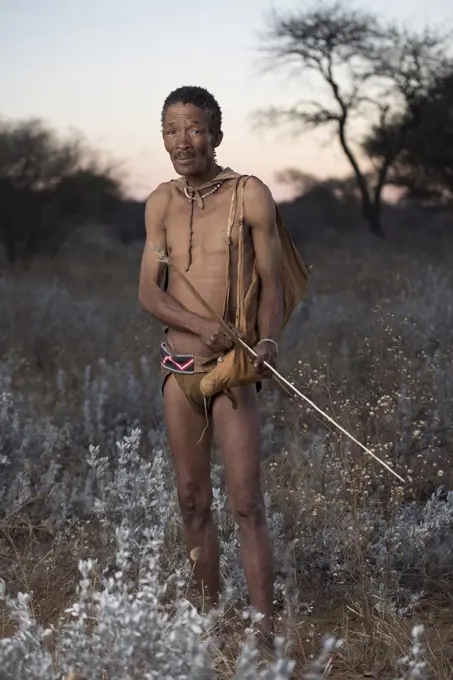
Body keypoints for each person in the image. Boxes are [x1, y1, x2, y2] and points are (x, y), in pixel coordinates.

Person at [138, 86, 309, 639]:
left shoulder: (250, 194)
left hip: (234, 372)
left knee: (245, 501)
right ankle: (208, 624)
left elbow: (274, 288)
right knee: (191, 501)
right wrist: (197, 325)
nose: (182, 141)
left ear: (214, 133)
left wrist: (268, 344)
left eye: (193, 128)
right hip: (179, 374)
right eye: (171, 130)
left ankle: (263, 630)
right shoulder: (160, 202)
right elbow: (148, 293)